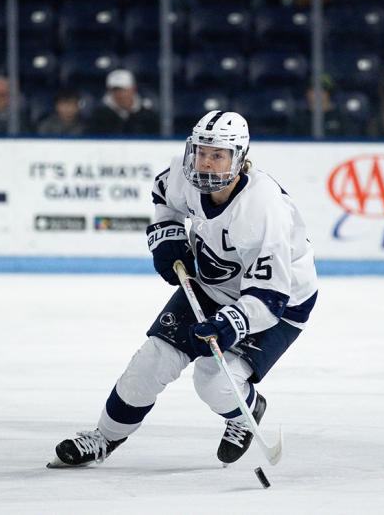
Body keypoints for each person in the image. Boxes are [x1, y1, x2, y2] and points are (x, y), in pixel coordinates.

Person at [49, 110, 318, 468]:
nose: (205, 163)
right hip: (211, 285)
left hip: (278, 302)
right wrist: (168, 235)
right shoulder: (183, 173)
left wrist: (229, 323)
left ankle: (246, 411)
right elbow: (164, 196)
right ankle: (104, 437)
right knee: (151, 361)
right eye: (202, 151)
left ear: (240, 159)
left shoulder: (263, 209)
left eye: (218, 155)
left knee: (213, 382)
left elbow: (270, 296)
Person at [89, 69, 160, 136]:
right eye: (115, 90)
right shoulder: (99, 117)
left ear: (133, 89)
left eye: (123, 90)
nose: (120, 94)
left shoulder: (148, 116)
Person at [289, 74, 364, 137]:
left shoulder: (342, 119)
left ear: (329, 93)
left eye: (323, 90)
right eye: (313, 89)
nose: (318, 93)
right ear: (307, 93)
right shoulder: (299, 120)